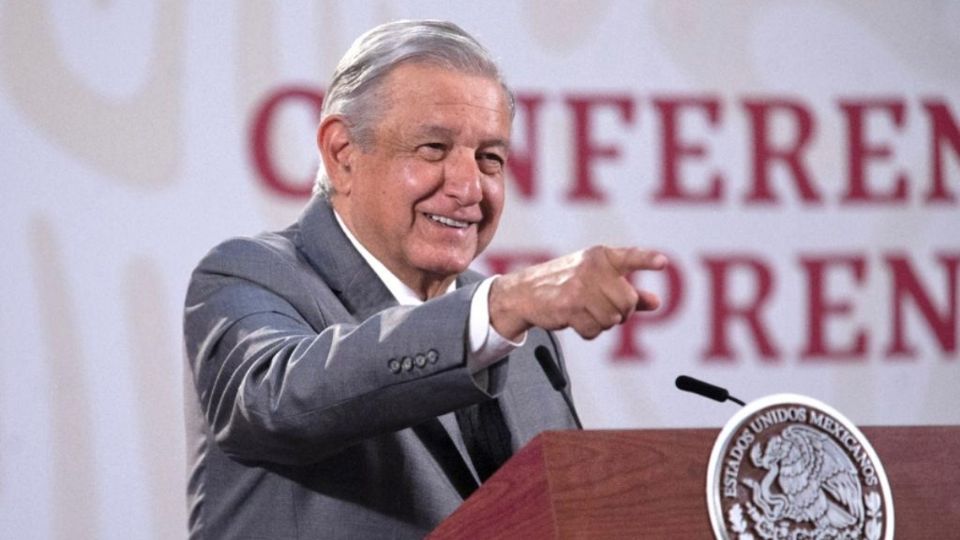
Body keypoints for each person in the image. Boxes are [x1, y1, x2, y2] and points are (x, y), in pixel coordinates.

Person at [183, 19, 667, 539]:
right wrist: (499, 307)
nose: (468, 187)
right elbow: (277, 401)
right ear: (343, 152)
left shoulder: (523, 338)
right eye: (433, 149)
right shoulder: (248, 277)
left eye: (490, 158)